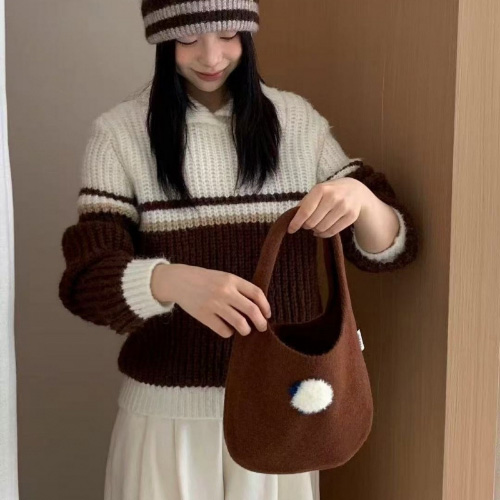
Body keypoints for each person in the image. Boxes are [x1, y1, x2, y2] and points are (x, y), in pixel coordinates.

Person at [58, 1, 419, 499]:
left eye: (228, 33)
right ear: (162, 40)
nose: (211, 56)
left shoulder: (296, 121)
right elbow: (86, 282)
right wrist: (173, 281)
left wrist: (361, 199)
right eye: (189, 38)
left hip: (284, 410)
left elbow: (390, 249)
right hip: (168, 419)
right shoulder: (120, 134)